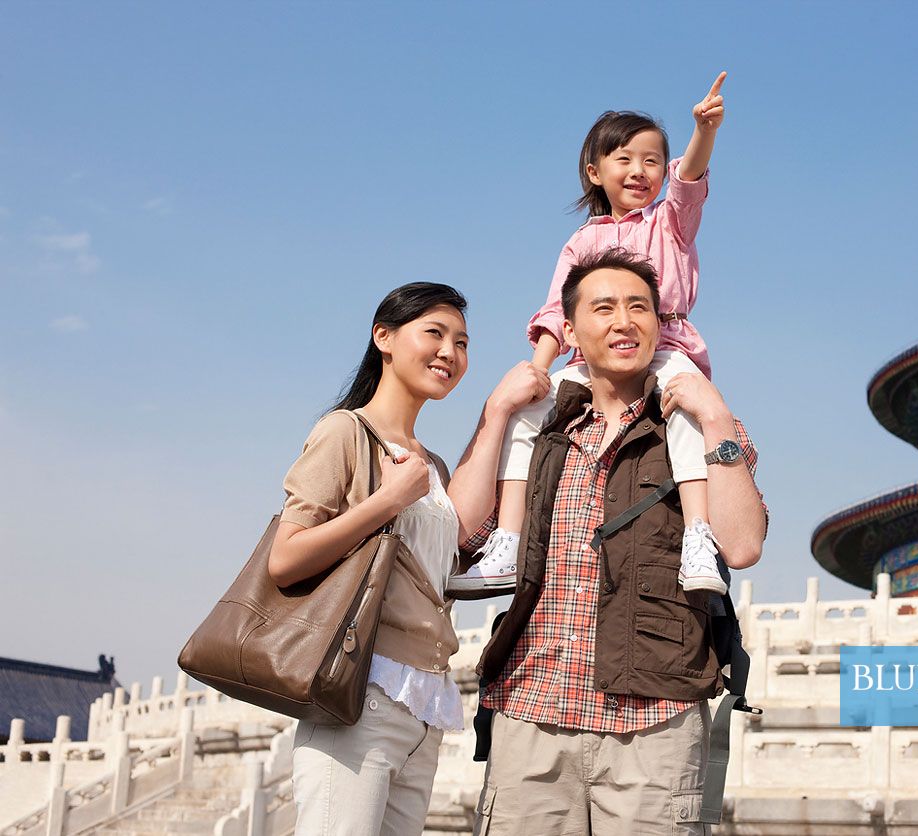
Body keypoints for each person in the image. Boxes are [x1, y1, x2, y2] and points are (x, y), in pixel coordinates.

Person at [461, 248, 767, 835]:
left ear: (661, 324)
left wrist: (719, 420)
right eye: (604, 308)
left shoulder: (693, 421)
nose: (624, 321)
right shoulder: (539, 427)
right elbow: (465, 532)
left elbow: (743, 544)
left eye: (639, 307)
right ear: (570, 330)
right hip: (531, 712)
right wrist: (496, 411)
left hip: (654, 722)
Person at [267, 282, 547, 836]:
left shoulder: (431, 466)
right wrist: (389, 500)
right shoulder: (345, 432)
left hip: (423, 704)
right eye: (435, 333)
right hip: (358, 694)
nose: (450, 352)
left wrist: (497, 412)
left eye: (462, 343)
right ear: (384, 338)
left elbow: (460, 541)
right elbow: (286, 558)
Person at [448, 72, 732, 597]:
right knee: (527, 412)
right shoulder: (582, 241)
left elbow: (689, 179)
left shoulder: (670, 221)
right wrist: (538, 366)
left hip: (666, 345)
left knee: (691, 412)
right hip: (592, 356)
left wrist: (704, 130)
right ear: (594, 171)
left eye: (651, 160)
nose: (639, 171)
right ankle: (507, 539)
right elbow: (559, 308)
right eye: (624, 159)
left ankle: (698, 536)